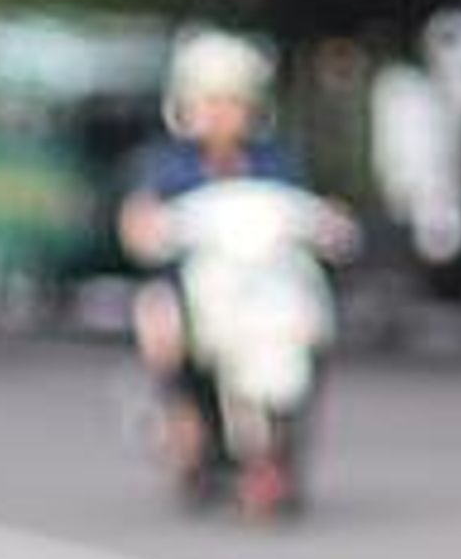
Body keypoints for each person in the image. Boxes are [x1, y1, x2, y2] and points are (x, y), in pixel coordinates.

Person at [118, 28, 321, 461]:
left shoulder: (274, 161)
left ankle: (285, 426)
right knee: (160, 323)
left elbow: (312, 211)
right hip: (189, 282)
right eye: (211, 102)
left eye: (233, 102)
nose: (222, 114)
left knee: (310, 322)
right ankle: (182, 409)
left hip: (265, 280)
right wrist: (145, 226)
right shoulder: (168, 163)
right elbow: (139, 218)